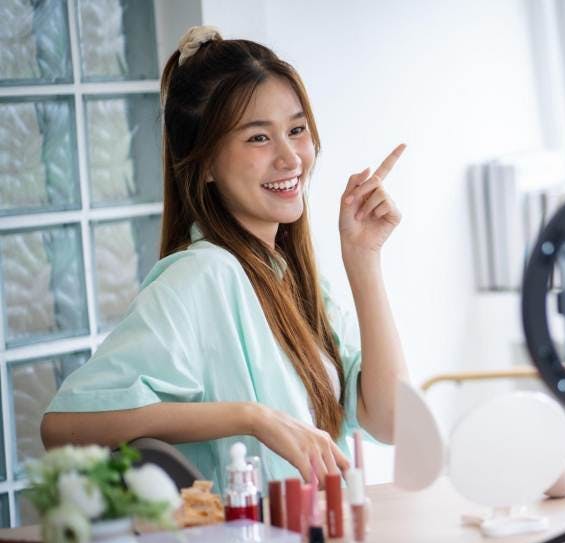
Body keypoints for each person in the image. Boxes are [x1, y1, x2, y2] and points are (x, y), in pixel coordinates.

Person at [40, 26, 408, 492]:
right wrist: (252, 418)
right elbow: (63, 428)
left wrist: (363, 258)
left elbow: (392, 421)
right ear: (206, 164)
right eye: (258, 138)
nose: (290, 157)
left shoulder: (286, 278)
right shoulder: (200, 275)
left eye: (297, 130)